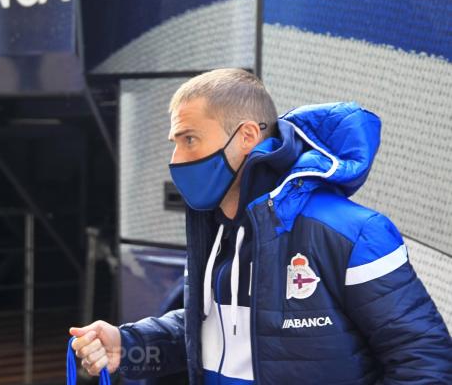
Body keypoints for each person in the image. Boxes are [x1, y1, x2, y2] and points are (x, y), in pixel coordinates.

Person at [69, 68, 452, 384]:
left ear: (248, 137)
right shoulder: (218, 229)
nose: (176, 158)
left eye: (190, 140)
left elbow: (424, 361)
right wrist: (129, 345)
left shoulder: (353, 233)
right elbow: (212, 330)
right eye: (176, 142)